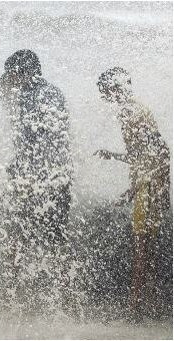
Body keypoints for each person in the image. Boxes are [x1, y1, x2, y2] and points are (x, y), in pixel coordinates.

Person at [0, 49, 73, 313]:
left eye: (11, 74)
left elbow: (30, 140)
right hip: (58, 177)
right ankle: (63, 299)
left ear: (24, 73)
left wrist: (17, 170)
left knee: (15, 234)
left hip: (33, 178)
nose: (7, 79)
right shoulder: (54, 91)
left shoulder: (27, 94)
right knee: (55, 239)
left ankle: (11, 296)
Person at [94, 66, 171, 321]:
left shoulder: (133, 112)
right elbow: (142, 157)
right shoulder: (132, 110)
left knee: (141, 249)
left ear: (116, 88)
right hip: (146, 187)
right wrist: (114, 157)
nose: (105, 98)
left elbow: (162, 152)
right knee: (145, 250)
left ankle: (134, 310)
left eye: (105, 92)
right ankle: (146, 305)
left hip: (149, 189)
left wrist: (159, 188)